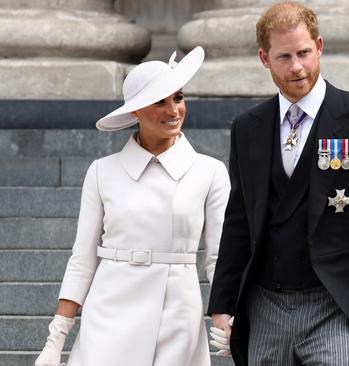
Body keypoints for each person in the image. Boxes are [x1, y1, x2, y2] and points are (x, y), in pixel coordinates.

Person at [206, 2, 349, 365]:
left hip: (336, 306)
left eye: (304, 53)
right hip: (266, 304)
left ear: (320, 46)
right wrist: (222, 304)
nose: (296, 67)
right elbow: (238, 220)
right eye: (284, 57)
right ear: (264, 59)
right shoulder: (248, 127)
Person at [34, 46, 231, 366]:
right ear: (136, 111)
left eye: (178, 98)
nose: (173, 110)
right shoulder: (102, 171)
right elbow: (82, 259)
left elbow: (219, 259)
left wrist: (226, 318)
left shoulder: (210, 172)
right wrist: (56, 337)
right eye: (160, 101)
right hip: (109, 309)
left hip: (178, 314)